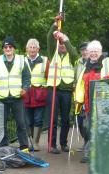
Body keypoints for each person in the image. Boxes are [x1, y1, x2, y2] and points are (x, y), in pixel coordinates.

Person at [74, 40, 109, 163]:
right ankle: (88, 153)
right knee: (87, 127)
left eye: (96, 51)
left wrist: (107, 78)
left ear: (100, 51)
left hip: (103, 102)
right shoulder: (86, 65)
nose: (93, 54)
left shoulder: (108, 61)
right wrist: (78, 99)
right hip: (87, 102)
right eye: (91, 51)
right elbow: (81, 83)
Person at [46, 17, 78, 154]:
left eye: (63, 43)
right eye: (59, 43)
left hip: (66, 91)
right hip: (52, 89)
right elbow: (49, 38)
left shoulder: (71, 55)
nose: (62, 45)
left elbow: (75, 54)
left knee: (65, 118)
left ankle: (63, 144)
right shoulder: (53, 53)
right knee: (52, 118)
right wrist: (55, 25)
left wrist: (65, 38)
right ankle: (52, 145)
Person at [23, 38, 49, 151]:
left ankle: (36, 142)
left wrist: (46, 88)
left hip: (40, 95)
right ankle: (29, 141)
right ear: (26, 49)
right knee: (28, 120)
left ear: (38, 49)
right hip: (26, 95)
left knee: (38, 119)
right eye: (30, 47)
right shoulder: (21, 61)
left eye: (34, 47)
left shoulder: (45, 60)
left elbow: (49, 77)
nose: (32, 49)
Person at [74, 42, 90, 151]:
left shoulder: (94, 62)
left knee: (88, 121)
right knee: (79, 121)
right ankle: (85, 141)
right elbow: (75, 79)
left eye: (86, 50)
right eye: (82, 50)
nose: (84, 52)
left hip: (89, 94)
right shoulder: (77, 62)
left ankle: (88, 144)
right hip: (79, 95)